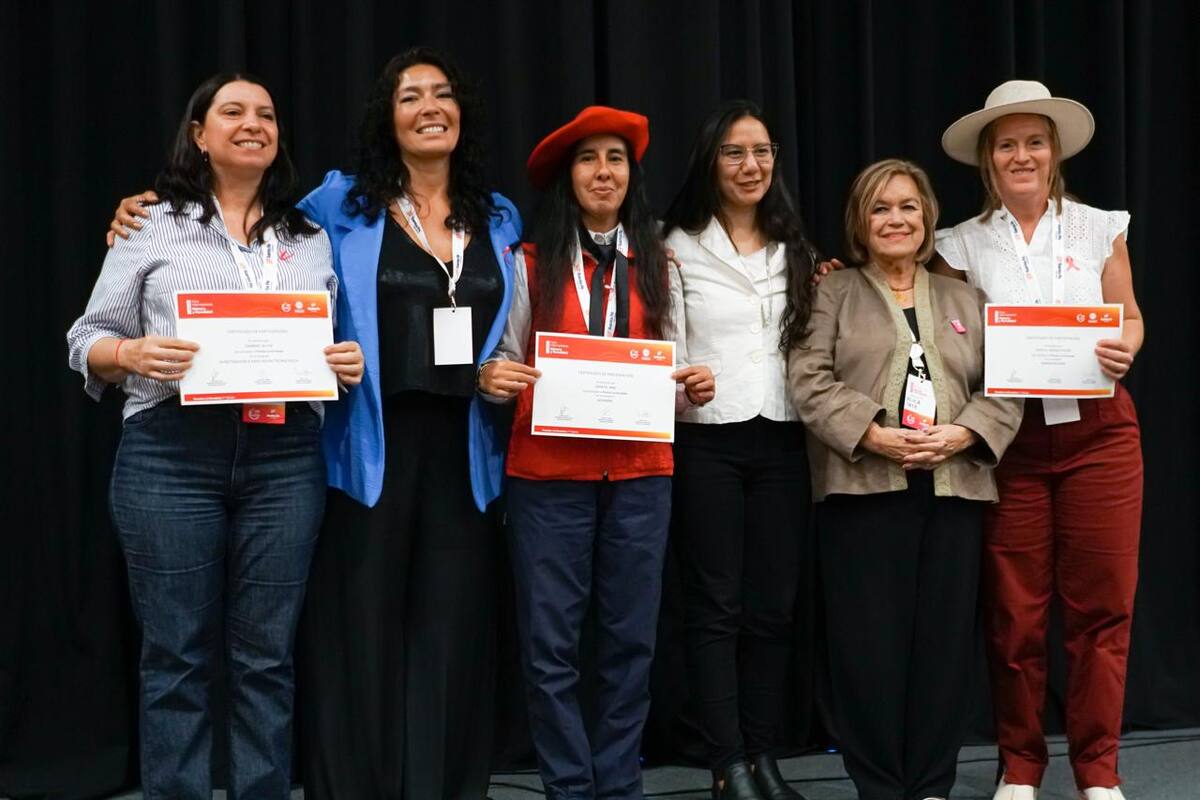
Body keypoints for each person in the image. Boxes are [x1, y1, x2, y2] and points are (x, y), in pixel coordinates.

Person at [109, 47, 522, 799]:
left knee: (451, 637)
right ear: (385, 119)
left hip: (465, 451)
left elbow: (514, 323)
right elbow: (239, 207)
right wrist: (135, 208)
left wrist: (502, 372)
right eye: (409, 97)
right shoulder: (340, 206)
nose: (429, 107)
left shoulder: (499, 217)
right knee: (351, 636)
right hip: (365, 446)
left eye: (443, 94)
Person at [68, 73, 363, 799]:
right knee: (177, 655)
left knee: (266, 656)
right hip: (170, 452)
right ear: (199, 134)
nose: (253, 123)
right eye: (232, 112)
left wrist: (341, 361)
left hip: (284, 455)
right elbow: (86, 338)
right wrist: (130, 353)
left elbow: (325, 343)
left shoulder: (308, 237)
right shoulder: (150, 224)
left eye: (266, 113)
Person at [478, 105, 714, 800]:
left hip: (641, 475)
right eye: (589, 159)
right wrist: (493, 378)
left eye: (616, 158)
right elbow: (502, 360)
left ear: (630, 175)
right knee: (551, 647)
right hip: (548, 477)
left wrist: (692, 385)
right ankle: (568, 787)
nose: (604, 171)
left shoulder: (661, 265)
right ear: (567, 176)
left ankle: (617, 784)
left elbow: (679, 373)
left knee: (630, 642)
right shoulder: (525, 263)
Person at [934, 80, 1145, 800]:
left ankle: (1099, 770)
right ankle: (1020, 767)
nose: (1021, 154)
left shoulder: (1099, 227)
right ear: (987, 161)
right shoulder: (957, 245)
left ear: (1054, 152)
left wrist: (1126, 348)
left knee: (1102, 610)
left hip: (1101, 437)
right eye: (1006, 144)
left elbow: (1132, 318)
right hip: (1008, 442)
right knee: (1014, 615)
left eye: (1034, 141)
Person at [788, 159, 1022, 800]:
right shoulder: (831, 292)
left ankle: (929, 782)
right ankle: (879, 783)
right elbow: (807, 379)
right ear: (861, 224)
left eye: (908, 207)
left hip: (954, 490)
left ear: (928, 219)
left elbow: (1006, 386)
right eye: (880, 208)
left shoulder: (965, 298)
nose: (896, 219)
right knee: (869, 646)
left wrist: (965, 433)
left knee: (944, 644)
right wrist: (872, 433)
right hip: (863, 490)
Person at [660, 100, 818, 800]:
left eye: (761, 151)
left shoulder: (798, 247)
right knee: (715, 606)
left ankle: (764, 752)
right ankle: (727, 762)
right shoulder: (675, 245)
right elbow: (662, 350)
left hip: (784, 438)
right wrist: (678, 383)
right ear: (710, 162)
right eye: (734, 152)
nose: (750, 165)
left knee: (772, 609)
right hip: (708, 440)